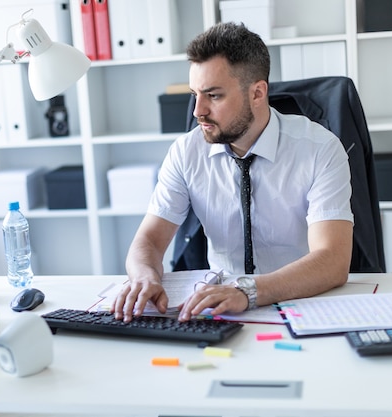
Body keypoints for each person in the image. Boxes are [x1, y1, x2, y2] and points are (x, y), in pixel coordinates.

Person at [112, 22, 354, 323]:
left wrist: (248, 291)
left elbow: (332, 261)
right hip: (219, 310)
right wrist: (144, 276)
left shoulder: (320, 149)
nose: (197, 111)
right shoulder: (186, 152)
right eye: (194, 94)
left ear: (257, 92)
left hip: (302, 304)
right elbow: (147, 241)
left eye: (213, 96)